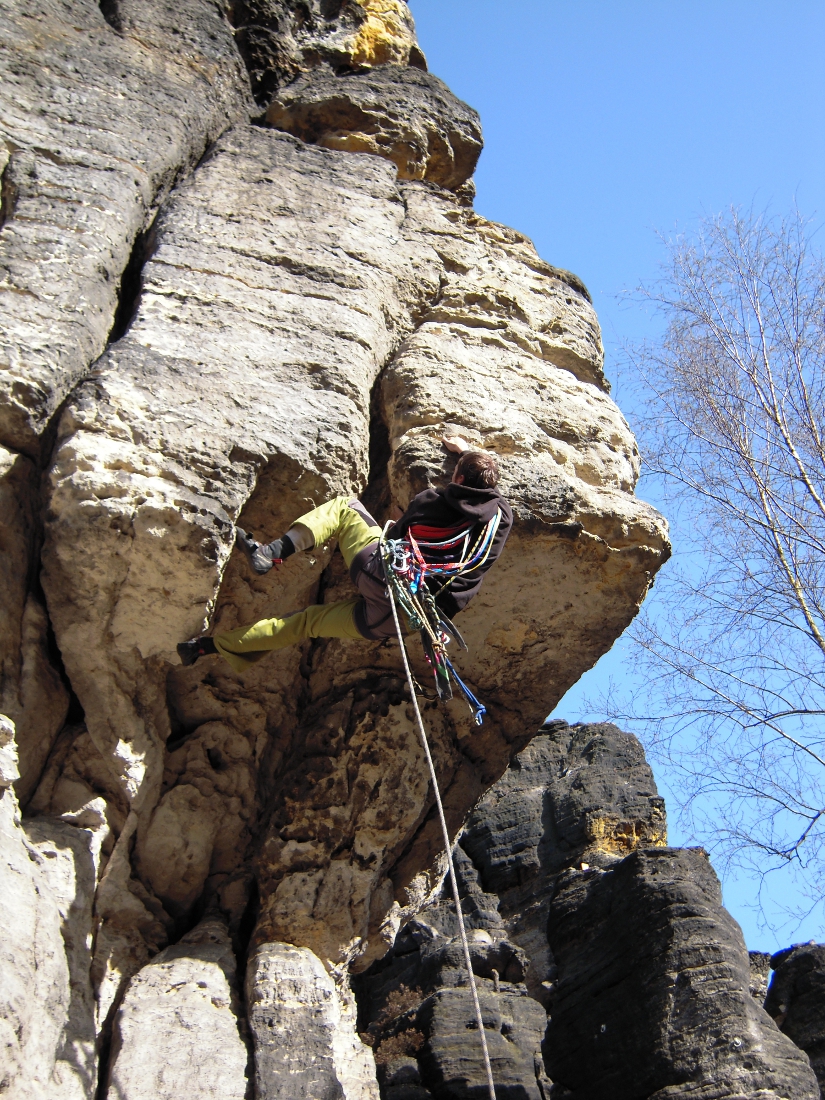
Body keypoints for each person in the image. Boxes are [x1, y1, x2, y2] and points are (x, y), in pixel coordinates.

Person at [177, 435, 513, 672]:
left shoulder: (430, 500)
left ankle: (271, 553)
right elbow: (484, 492)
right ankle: (206, 648)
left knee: (344, 508)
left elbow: (396, 535)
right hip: (397, 621)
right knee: (306, 623)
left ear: (456, 478)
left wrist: (466, 451)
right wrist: (471, 457)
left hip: (381, 572)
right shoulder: (501, 520)